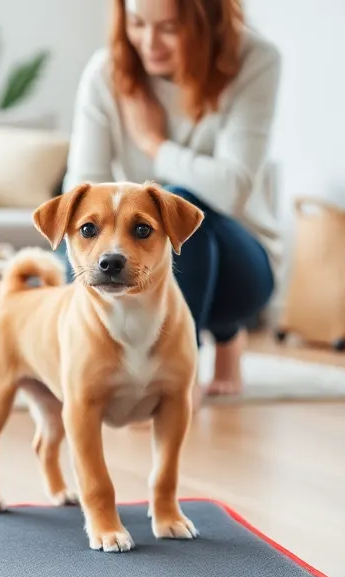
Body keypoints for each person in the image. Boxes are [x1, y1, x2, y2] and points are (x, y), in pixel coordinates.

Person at [61, 0, 282, 397]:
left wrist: (154, 143)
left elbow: (232, 191)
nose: (149, 44)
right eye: (137, 24)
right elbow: (82, 190)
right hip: (145, 257)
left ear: (209, 22)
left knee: (177, 209)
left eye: (170, 28)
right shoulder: (104, 73)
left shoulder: (256, 61)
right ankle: (134, 365)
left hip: (240, 265)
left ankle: (178, 377)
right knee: (72, 265)